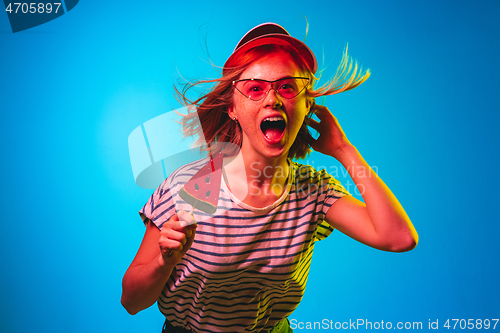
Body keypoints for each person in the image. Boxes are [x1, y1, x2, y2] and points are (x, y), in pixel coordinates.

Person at [121, 23, 418, 333]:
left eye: (287, 87)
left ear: (307, 106)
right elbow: (131, 301)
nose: (273, 99)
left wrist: (344, 150)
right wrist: (164, 262)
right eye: (255, 88)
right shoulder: (187, 188)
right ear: (232, 108)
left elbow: (399, 238)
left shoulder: (314, 193)